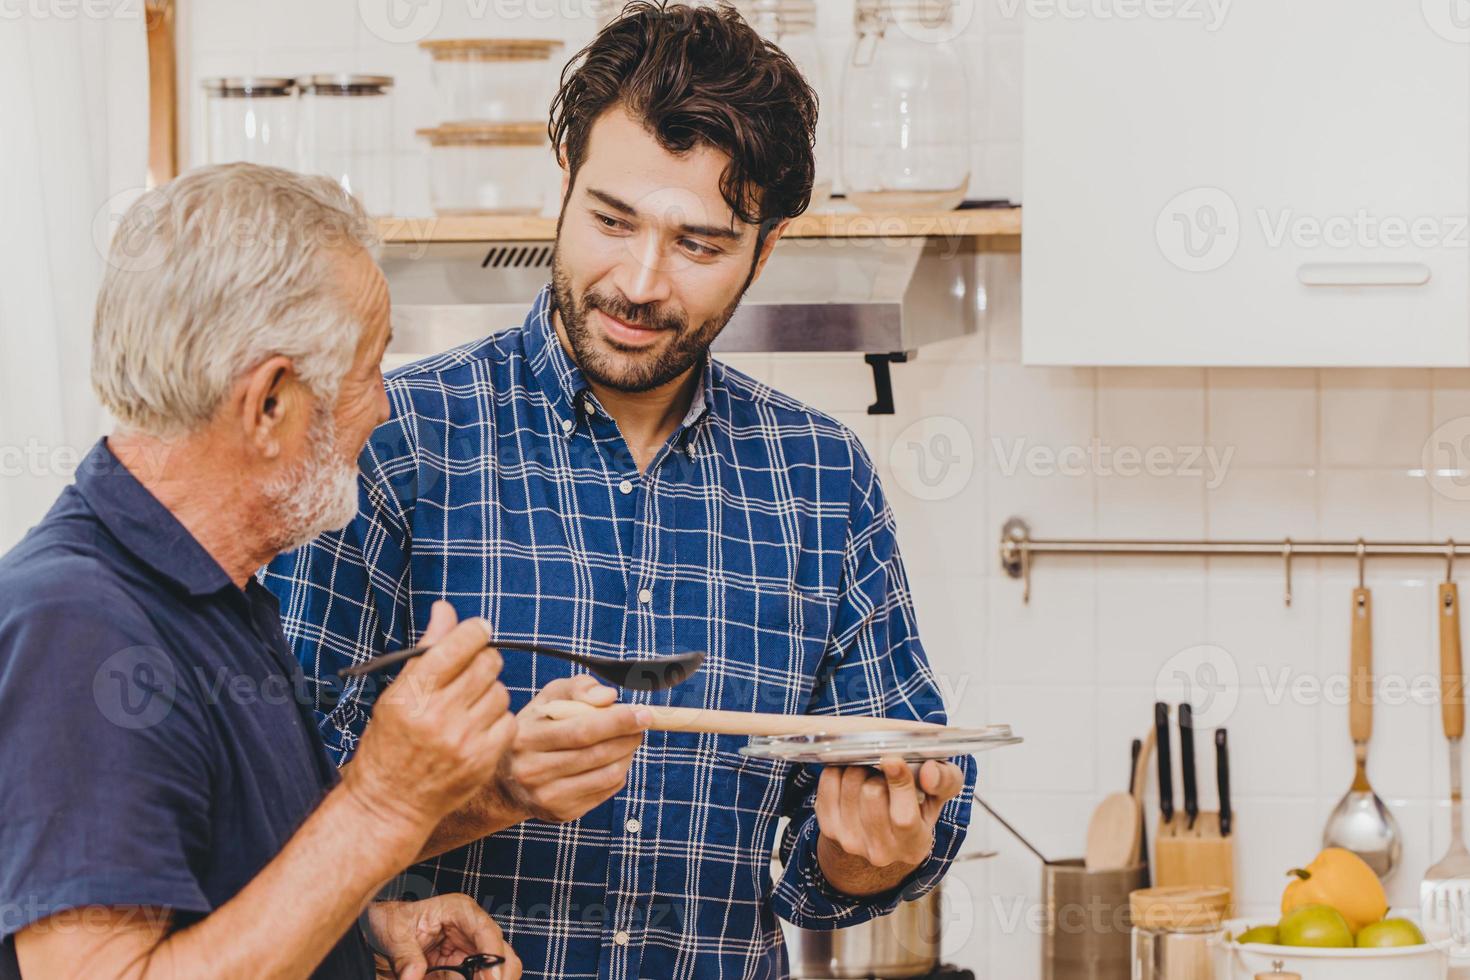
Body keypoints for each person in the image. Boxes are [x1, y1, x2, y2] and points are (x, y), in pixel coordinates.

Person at [265, 3, 976, 977]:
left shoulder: (821, 478)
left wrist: (863, 855)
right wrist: (487, 790)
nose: (640, 282)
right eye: (611, 220)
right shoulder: (392, 442)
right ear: (563, 182)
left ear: (763, 252)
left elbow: (912, 776)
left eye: (700, 244)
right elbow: (270, 823)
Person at [0, 165, 521, 980]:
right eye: (370, 371)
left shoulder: (217, 597)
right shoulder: (78, 624)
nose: (384, 408)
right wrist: (383, 803)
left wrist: (367, 931)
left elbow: (209, 900)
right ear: (270, 403)